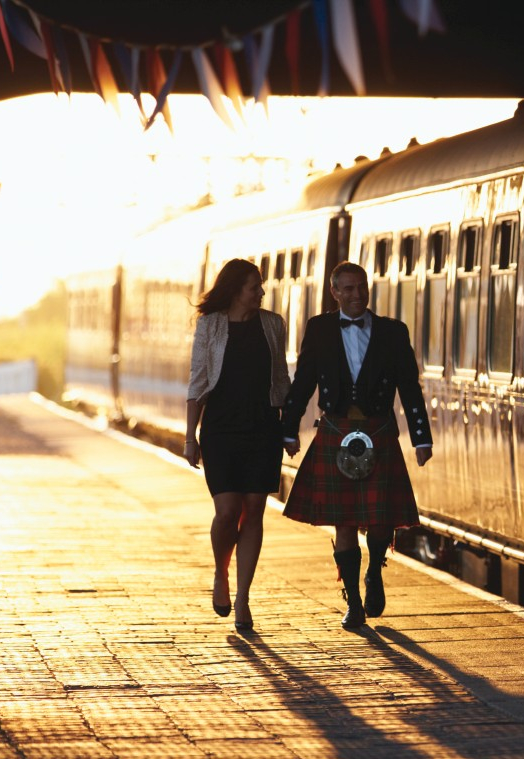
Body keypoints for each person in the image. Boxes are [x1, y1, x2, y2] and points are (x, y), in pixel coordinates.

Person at [281, 261, 433, 629]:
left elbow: (409, 387)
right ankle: (353, 602)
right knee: (344, 522)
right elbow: (303, 382)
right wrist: (288, 430)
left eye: (361, 287)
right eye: (347, 289)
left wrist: (421, 437)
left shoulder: (393, 332)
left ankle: (374, 570)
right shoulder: (319, 330)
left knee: (380, 521)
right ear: (335, 292)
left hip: (378, 431)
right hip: (336, 429)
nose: (356, 295)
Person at [184, 258, 291, 633]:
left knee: (255, 511)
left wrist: (289, 429)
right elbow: (197, 383)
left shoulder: (273, 325)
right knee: (227, 512)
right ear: (235, 290)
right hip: (221, 429)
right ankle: (221, 572)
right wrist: (189, 437)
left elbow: (282, 379)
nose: (261, 293)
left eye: (260, 287)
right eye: (254, 287)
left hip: (263, 427)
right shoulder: (210, 326)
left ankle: (244, 597)